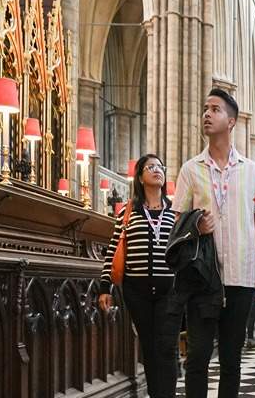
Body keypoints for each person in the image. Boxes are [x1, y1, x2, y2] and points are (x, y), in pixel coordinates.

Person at [173, 88, 255, 398]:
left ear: (231, 121)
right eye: (205, 108)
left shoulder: (251, 170)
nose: (207, 113)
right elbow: (176, 223)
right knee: (199, 357)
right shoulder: (191, 169)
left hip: (241, 276)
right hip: (203, 277)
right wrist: (196, 227)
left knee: (232, 360)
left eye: (215, 109)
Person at [99, 154, 179, 398]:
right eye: (151, 167)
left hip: (169, 290)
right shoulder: (127, 211)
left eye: (160, 167)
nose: (157, 170)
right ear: (141, 177)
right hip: (137, 291)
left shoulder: (175, 211)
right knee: (149, 348)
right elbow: (113, 249)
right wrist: (105, 287)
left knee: (167, 347)